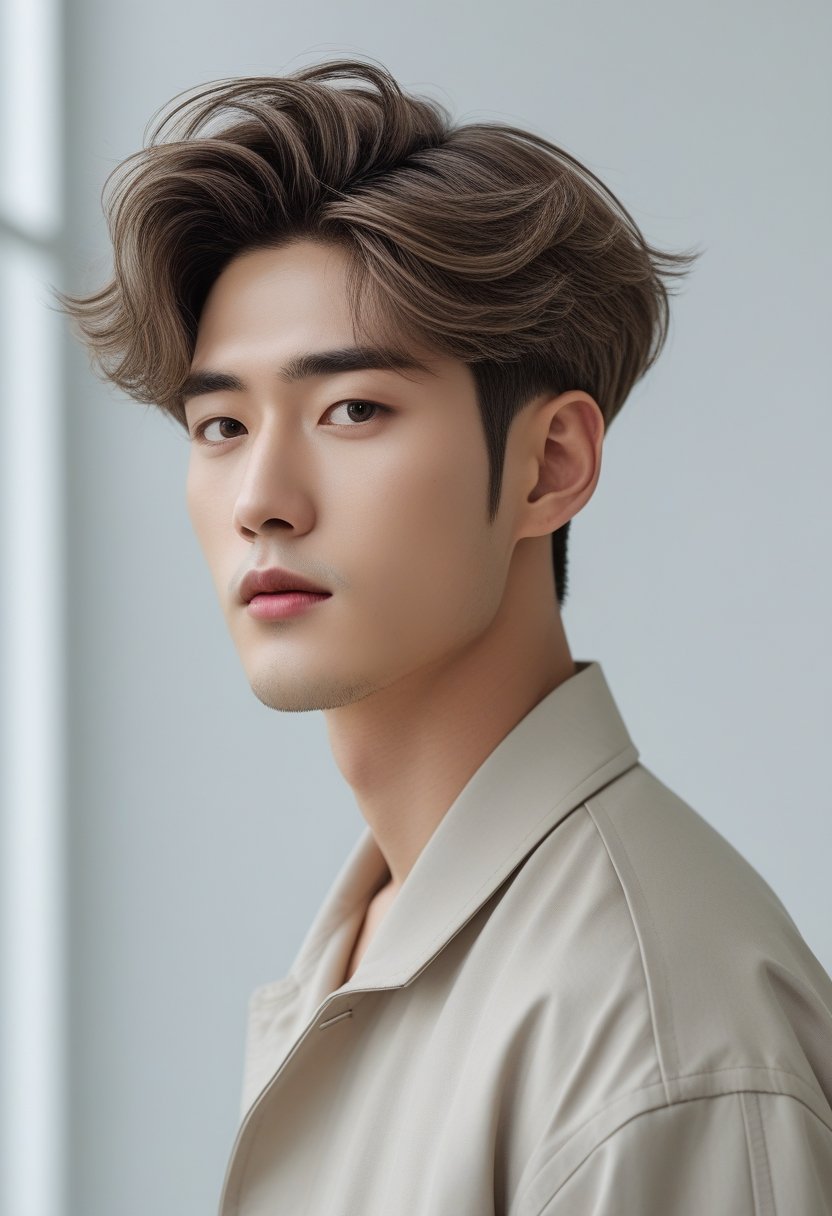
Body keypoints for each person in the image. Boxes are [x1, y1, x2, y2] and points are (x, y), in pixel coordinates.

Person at [59, 55, 832, 1216]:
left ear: (549, 466)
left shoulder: (654, 1034)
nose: (261, 494)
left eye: (352, 409)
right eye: (220, 423)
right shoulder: (376, 939)